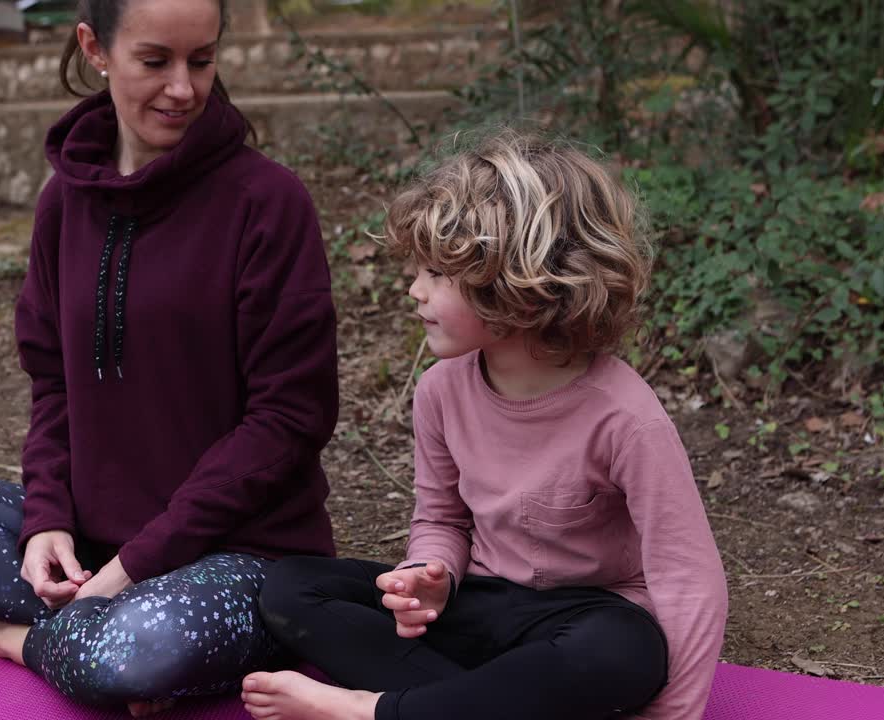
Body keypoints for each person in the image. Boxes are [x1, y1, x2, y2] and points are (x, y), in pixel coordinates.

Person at [0, 0, 339, 715]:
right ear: (95, 48)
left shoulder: (269, 202)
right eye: (155, 61)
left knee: (139, 648)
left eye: (201, 60)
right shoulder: (63, 203)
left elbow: (289, 419)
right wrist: (47, 521)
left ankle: (9, 637)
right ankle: (86, 632)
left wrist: (136, 565)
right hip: (94, 549)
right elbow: (53, 383)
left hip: (243, 556)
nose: (183, 88)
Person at [241, 130, 728, 720]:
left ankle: (374, 711)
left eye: (436, 273)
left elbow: (687, 575)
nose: (414, 289)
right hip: (480, 610)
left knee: (620, 653)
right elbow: (442, 519)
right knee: (292, 588)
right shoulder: (440, 392)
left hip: (584, 619)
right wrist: (428, 579)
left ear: (521, 286)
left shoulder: (625, 417)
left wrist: (672, 716)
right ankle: (485, 705)